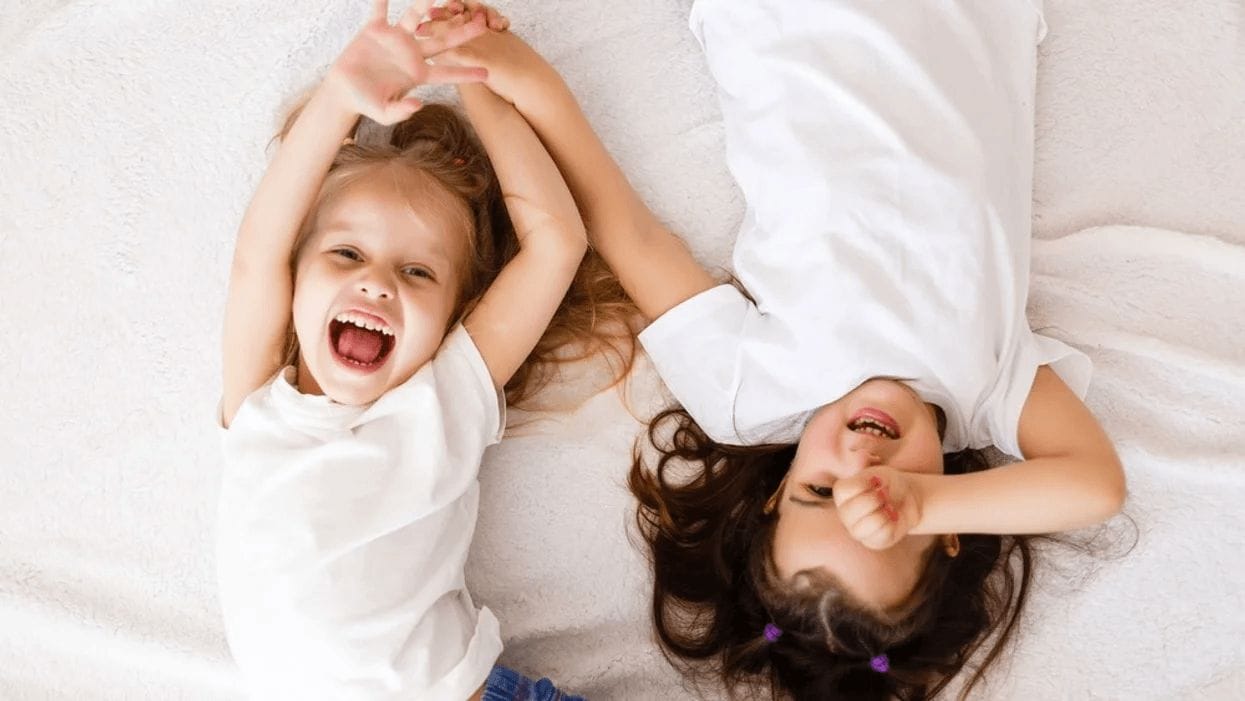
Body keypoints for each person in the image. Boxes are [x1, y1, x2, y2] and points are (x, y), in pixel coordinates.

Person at [429, 1, 1126, 698]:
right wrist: (920, 502)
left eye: (820, 491)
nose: (862, 463)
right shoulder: (988, 390)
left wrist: (527, 86)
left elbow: (629, 233)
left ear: (774, 498)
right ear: (949, 529)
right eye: (884, 509)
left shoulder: (749, 399)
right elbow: (1095, 486)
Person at [215, 2, 615, 697]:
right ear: (296, 277)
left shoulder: (445, 393)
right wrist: (342, 93)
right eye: (345, 252)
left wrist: (474, 76)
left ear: (453, 316)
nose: (374, 283)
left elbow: (556, 242)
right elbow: (256, 251)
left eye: (417, 272)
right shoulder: (259, 404)